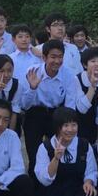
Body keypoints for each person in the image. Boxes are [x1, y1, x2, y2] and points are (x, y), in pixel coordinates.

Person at [21, 39, 76, 175]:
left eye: (60, 57)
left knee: (55, 152)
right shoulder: (33, 71)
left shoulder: (68, 75)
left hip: (57, 114)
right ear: (44, 58)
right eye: (53, 57)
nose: (57, 61)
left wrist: (67, 126)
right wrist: (33, 88)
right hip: (35, 114)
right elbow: (25, 105)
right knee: (34, 154)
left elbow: (70, 105)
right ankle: (34, 183)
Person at [68, 48, 98, 145]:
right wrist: (92, 86)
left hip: (95, 123)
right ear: (85, 65)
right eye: (93, 61)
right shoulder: (76, 79)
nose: (97, 64)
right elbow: (82, 109)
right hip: (77, 122)